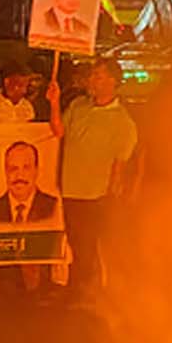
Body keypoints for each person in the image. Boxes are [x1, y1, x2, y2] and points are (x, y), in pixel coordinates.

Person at [49, 56, 138, 299]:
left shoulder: (122, 121)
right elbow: (58, 130)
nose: (92, 80)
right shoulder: (78, 106)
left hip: (96, 194)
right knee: (77, 243)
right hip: (70, 189)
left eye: (98, 76)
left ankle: (90, 291)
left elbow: (121, 163)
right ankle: (81, 289)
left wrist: (113, 193)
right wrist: (55, 103)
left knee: (91, 245)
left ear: (113, 81)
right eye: (92, 75)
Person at [0, 140, 60, 224]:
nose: (19, 176)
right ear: (6, 172)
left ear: (36, 170)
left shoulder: (55, 207)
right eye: (13, 169)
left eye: (26, 168)